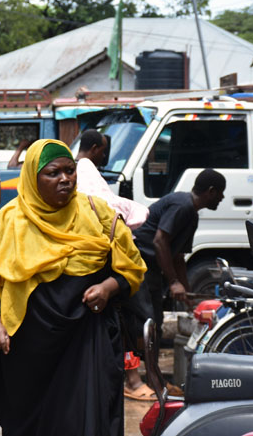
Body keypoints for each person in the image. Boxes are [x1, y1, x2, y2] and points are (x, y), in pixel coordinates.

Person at [0, 139, 146, 436]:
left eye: (70, 171)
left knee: (87, 422)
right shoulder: (9, 222)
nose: (65, 178)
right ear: (32, 177)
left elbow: (131, 267)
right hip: (28, 351)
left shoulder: (97, 215)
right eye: (53, 172)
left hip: (87, 341)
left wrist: (108, 287)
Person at [74, 129, 153, 401]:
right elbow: (105, 208)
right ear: (95, 148)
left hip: (99, 262)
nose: (105, 156)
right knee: (132, 319)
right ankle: (134, 380)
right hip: (107, 259)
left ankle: (132, 378)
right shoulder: (85, 172)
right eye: (104, 150)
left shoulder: (79, 171)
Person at [133, 169, 226, 341]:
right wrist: (174, 282)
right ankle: (144, 366)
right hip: (138, 263)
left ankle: (152, 366)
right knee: (146, 323)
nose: (223, 198)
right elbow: (159, 241)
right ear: (211, 191)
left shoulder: (192, 215)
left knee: (155, 322)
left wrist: (188, 295)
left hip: (150, 267)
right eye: (221, 192)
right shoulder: (183, 205)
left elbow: (178, 258)